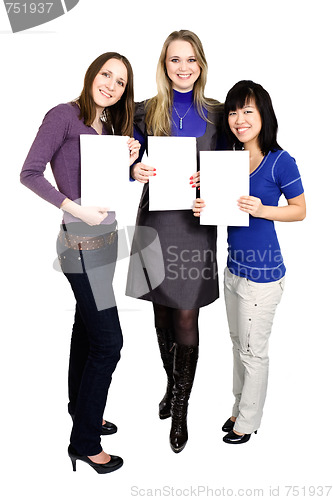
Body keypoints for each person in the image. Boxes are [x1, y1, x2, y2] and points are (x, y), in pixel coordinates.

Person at [20, 52, 140, 472]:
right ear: (92, 74)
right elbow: (30, 173)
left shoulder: (109, 126)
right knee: (110, 344)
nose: (111, 84)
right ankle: (85, 442)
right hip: (79, 242)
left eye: (121, 82)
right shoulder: (63, 116)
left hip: (105, 240)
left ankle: (82, 411)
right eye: (106, 74)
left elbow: (105, 181)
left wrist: (131, 167)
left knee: (87, 332)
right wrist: (76, 208)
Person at [126, 30, 226, 453]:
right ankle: (171, 386)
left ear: (201, 64)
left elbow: (235, 167)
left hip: (196, 224)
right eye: (174, 60)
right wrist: (134, 170)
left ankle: (180, 410)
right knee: (163, 314)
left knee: (186, 315)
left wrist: (216, 183)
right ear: (164, 66)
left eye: (190, 60)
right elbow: (122, 162)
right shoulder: (144, 111)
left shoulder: (220, 113)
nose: (182, 68)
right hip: (155, 219)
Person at [193, 80, 306, 444]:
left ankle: (248, 421)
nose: (239, 119)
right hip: (233, 269)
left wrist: (264, 210)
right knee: (236, 343)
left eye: (248, 111)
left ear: (263, 115)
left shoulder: (280, 161)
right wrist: (201, 201)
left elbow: (300, 211)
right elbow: (221, 210)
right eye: (233, 112)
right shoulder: (229, 160)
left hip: (263, 276)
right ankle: (239, 407)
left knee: (253, 352)